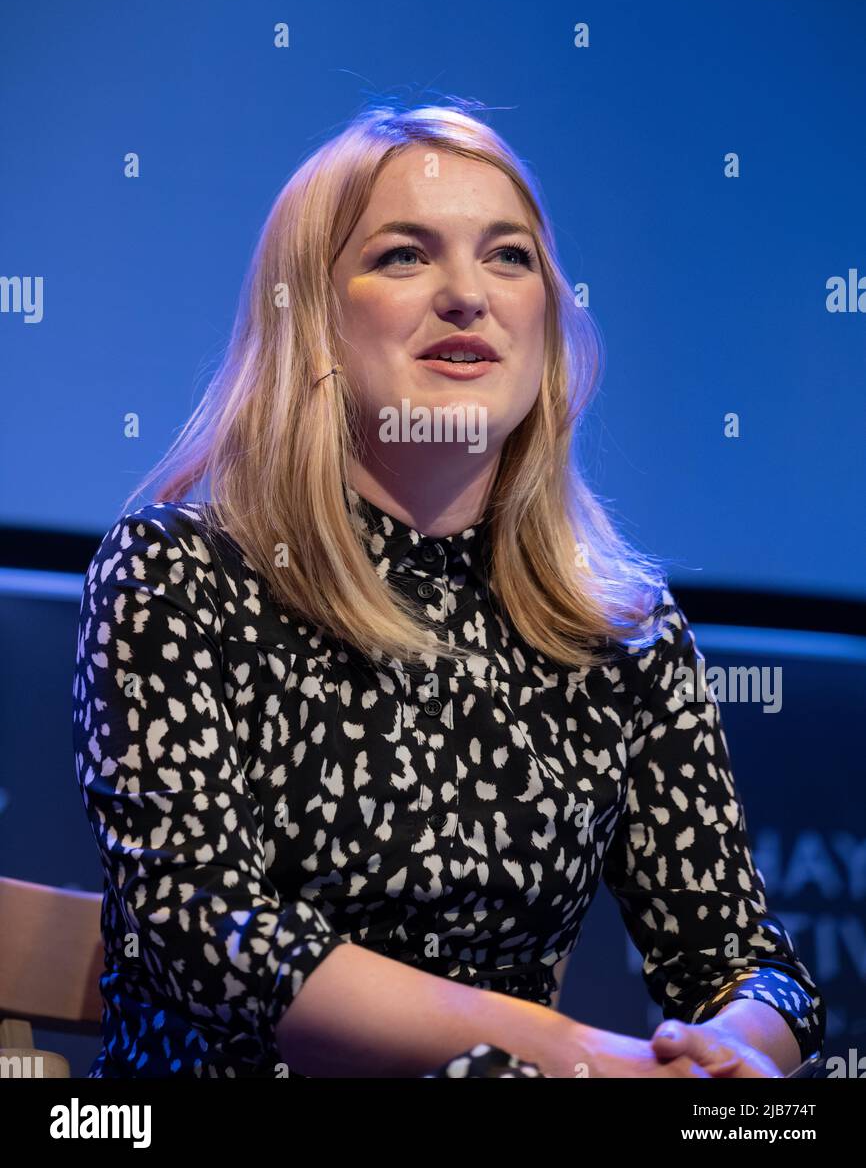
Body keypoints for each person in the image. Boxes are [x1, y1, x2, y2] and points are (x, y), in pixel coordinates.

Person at [72, 103, 825, 1079]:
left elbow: (745, 963)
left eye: (508, 257)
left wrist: (724, 1053)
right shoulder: (179, 578)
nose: (468, 294)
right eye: (403, 256)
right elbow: (208, 935)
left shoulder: (621, 632)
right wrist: (574, 1053)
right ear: (312, 318)